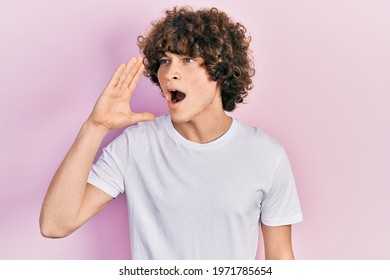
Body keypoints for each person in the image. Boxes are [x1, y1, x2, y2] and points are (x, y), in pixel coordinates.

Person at [40, 6, 303, 260]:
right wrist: (95, 127)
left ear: (220, 71)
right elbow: (55, 225)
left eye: (187, 60)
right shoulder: (136, 146)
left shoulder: (266, 155)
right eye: (165, 60)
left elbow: (280, 257)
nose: (169, 73)